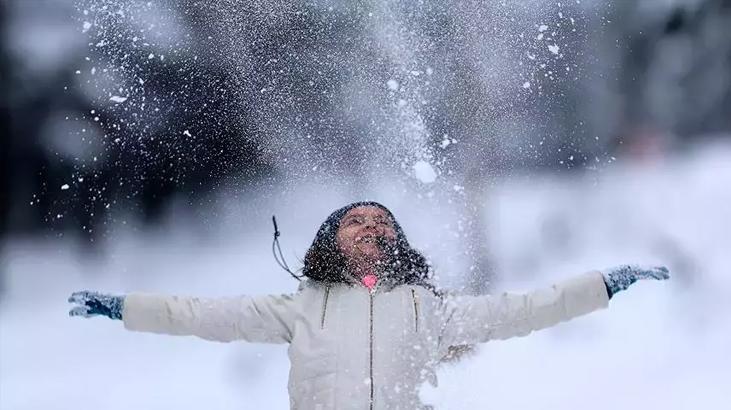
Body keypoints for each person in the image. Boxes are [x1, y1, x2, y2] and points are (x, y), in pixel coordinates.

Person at [68, 201, 669, 410]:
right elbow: (199, 313)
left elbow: (524, 309)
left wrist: (603, 285)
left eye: (381, 221)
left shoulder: (429, 309)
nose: (369, 227)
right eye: (354, 221)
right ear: (330, 239)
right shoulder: (299, 308)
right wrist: (123, 307)